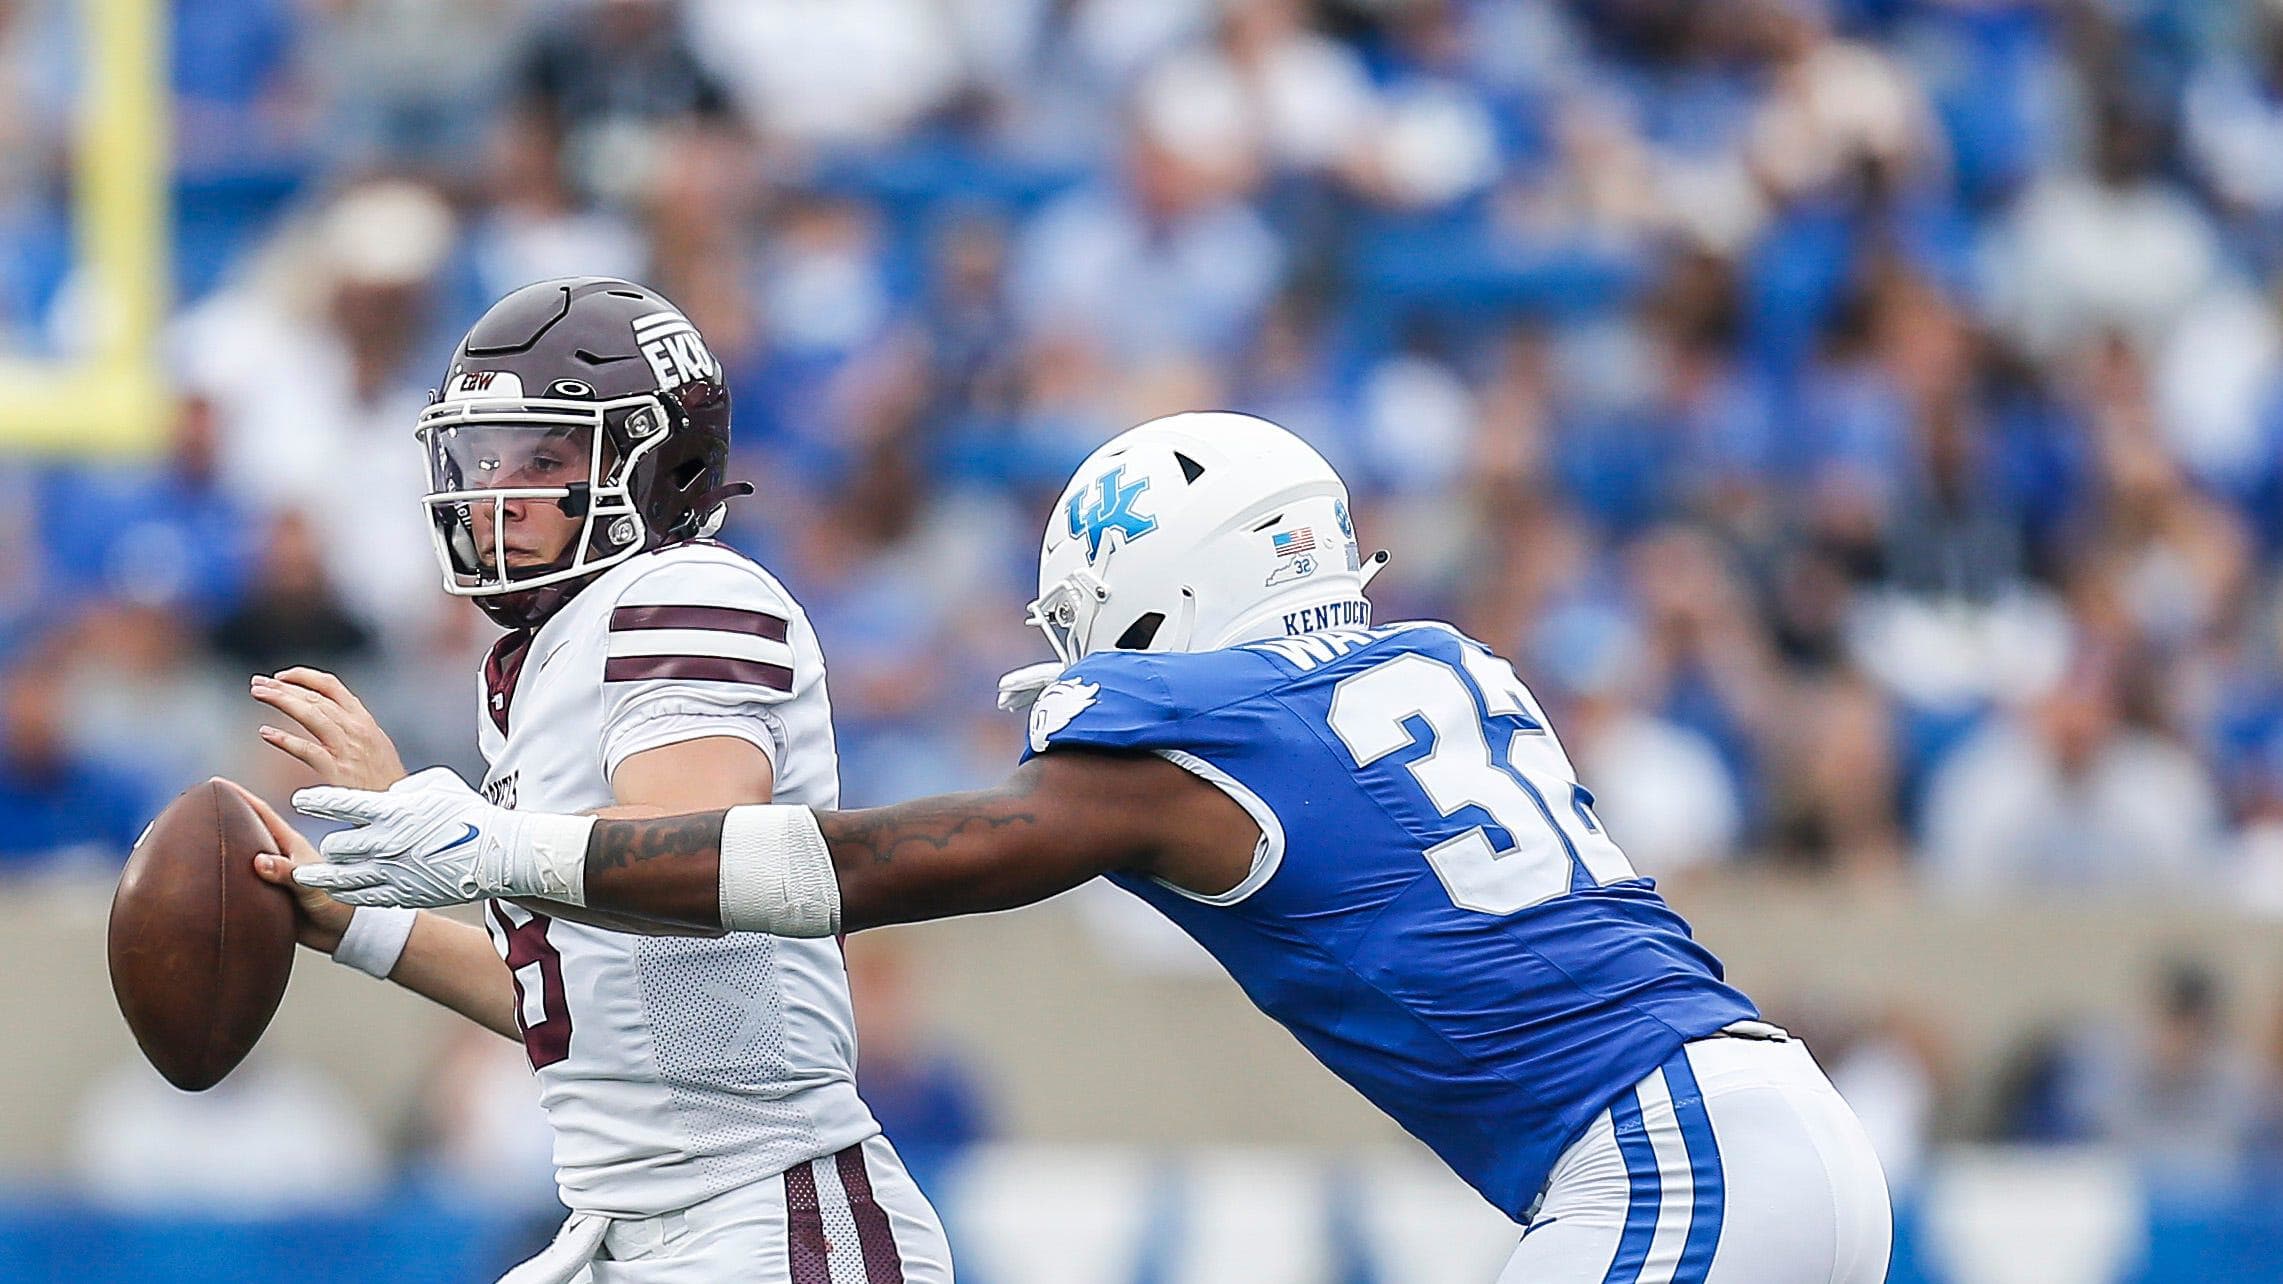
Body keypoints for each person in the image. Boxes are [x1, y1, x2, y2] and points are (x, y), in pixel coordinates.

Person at [291, 412, 1892, 1281]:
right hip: (1743, 1121)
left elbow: (845, 868)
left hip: (1663, 1164)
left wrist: (498, 844)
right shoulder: (1441, 665)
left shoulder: (1194, 758)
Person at [240, 278, 950, 1283]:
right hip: (635, 1219)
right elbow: (582, 999)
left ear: (663, 463)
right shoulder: (543, 663)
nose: (499, 490)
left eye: (547, 456)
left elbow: (703, 861)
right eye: (485, 456)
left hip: (763, 1213)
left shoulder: (680, 593)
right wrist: (357, 922)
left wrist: (470, 846)